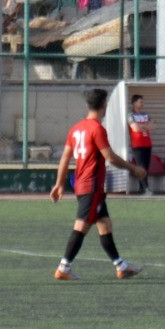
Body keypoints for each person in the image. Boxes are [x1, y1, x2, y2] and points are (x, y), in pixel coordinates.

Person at [50, 88, 148, 280]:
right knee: (82, 226)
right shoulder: (96, 129)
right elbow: (109, 157)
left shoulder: (76, 128)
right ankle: (63, 268)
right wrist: (134, 169)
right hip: (92, 186)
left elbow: (65, 157)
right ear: (104, 105)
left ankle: (122, 266)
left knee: (105, 224)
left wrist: (59, 184)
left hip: (82, 185)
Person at [127, 94, 153, 195]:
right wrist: (145, 126)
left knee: (146, 167)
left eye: (142, 102)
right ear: (134, 103)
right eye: (140, 102)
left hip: (148, 143)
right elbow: (135, 128)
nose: (142, 103)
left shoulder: (146, 114)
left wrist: (142, 126)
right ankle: (146, 188)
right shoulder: (130, 115)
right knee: (141, 167)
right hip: (137, 144)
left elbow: (153, 126)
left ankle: (141, 188)